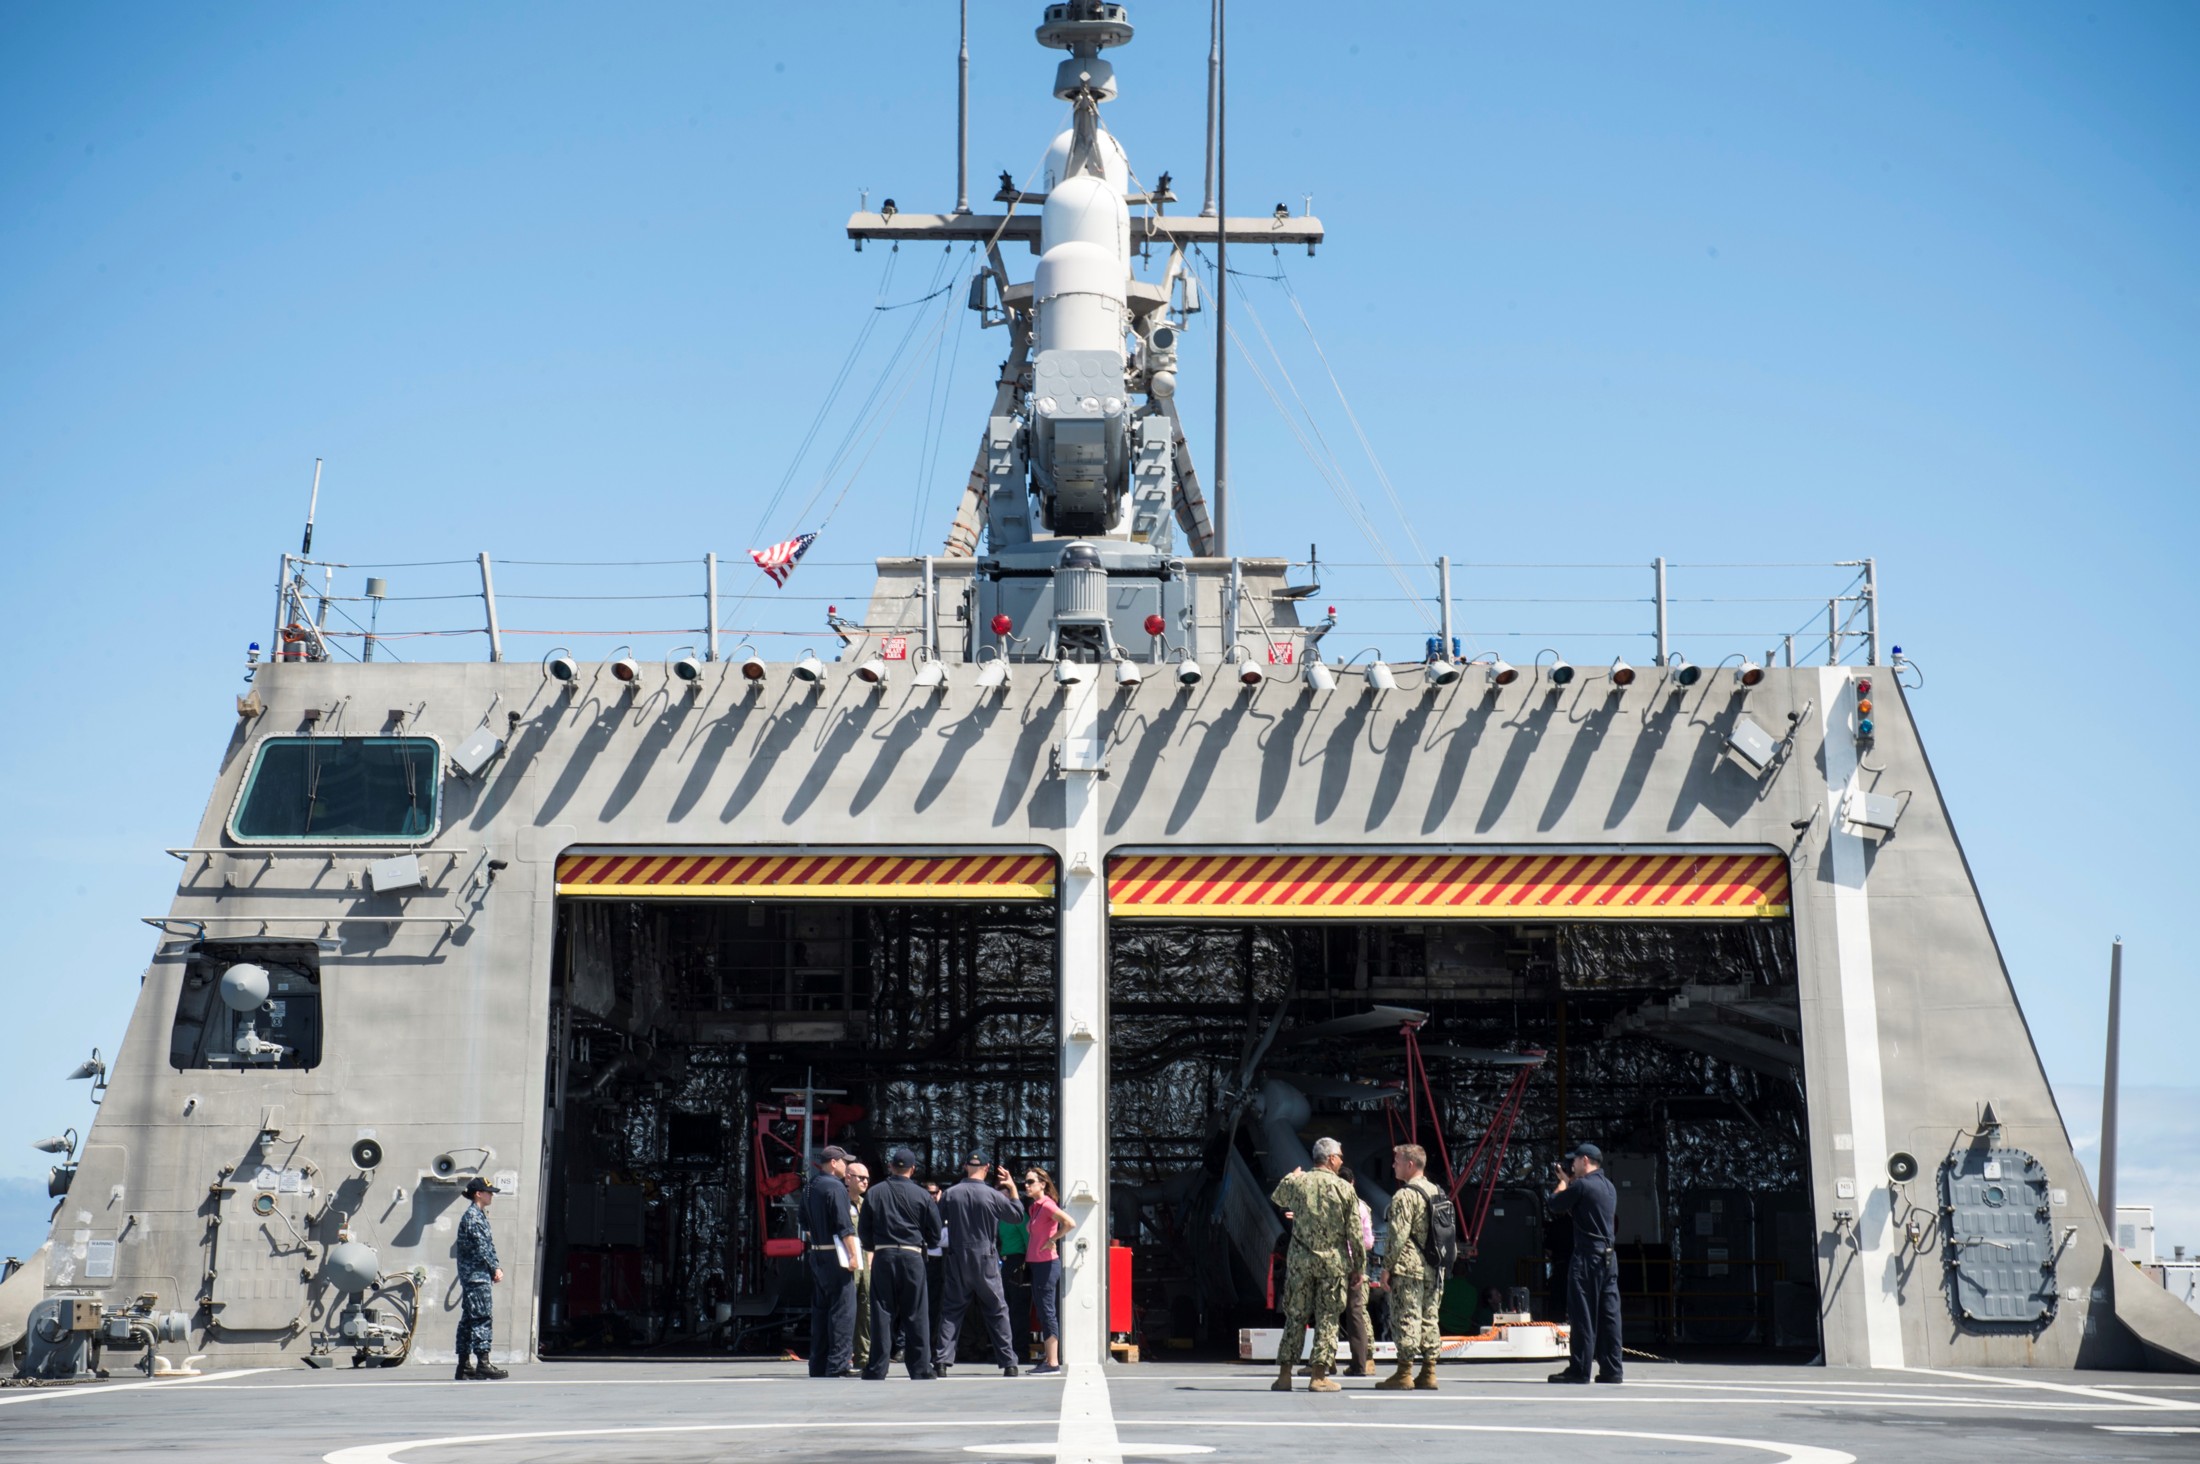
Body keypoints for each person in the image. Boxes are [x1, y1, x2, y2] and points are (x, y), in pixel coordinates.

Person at [1267, 1137, 1366, 1392]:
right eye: (1340, 1156)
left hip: (1301, 1263)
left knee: (1295, 1317)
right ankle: (1318, 1376)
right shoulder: (1345, 1189)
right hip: (1332, 1265)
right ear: (1331, 1159)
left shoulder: (1299, 1183)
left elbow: (1277, 1197)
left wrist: (1291, 1176)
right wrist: (1358, 1267)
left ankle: (1284, 1375)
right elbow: (1355, 1233)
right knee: (1328, 1319)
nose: (1342, 1160)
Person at [933, 1152, 1025, 1377]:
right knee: (997, 1309)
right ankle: (1009, 1362)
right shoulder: (993, 1195)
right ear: (986, 1168)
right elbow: (1017, 1217)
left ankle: (942, 1361)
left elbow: (934, 1224)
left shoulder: (951, 1194)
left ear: (965, 1166)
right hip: (986, 1257)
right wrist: (1012, 1188)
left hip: (957, 1256)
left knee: (952, 1310)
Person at [857, 1147, 941, 1380]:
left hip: (884, 1256)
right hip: (913, 1256)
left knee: (882, 1312)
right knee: (916, 1312)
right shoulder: (923, 1195)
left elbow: (864, 1231)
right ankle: (921, 1368)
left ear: (891, 1167)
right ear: (912, 1170)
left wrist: (874, 1247)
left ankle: (877, 1368)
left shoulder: (875, 1193)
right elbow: (935, 1233)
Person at [1548, 1142, 1623, 1385]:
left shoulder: (1580, 1185)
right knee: (1609, 1314)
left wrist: (1562, 1183)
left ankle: (1580, 1369)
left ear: (1586, 1161)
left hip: (1587, 1257)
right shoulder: (1608, 1186)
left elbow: (1555, 1204)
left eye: (1575, 1160)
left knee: (1582, 1313)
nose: (1572, 1165)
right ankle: (1612, 1368)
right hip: (1609, 1257)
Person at [1377, 1143, 1444, 1392]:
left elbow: (1397, 1236)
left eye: (1397, 1160)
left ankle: (1404, 1372)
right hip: (1434, 1267)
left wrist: (1387, 1267)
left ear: (1410, 1165)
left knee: (1406, 1316)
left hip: (1408, 1266)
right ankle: (1429, 1372)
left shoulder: (1405, 1195)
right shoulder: (1436, 1191)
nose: (1393, 1164)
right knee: (1429, 1317)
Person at [801, 1145, 861, 1378]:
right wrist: (853, 1255)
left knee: (821, 1310)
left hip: (817, 1253)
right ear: (834, 1163)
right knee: (843, 1310)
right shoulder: (835, 1187)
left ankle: (817, 1364)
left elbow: (804, 1224)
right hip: (836, 1255)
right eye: (844, 1162)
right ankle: (838, 1363)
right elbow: (843, 1225)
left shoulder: (809, 1187)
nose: (847, 1167)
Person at [1021, 1166, 1077, 1375]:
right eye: (1025, 1182)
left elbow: (1070, 1222)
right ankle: (1049, 1359)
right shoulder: (1034, 1207)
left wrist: (1053, 1239)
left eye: (1030, 1182)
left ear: (1042, 1184)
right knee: (1043, 1311)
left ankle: (1053, 1362)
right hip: (1037, 1264)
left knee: (1047, 1311)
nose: (1026, 1186)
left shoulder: (1046, 1205)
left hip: (1046, 1264)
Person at [453, 1177, 508, 1380]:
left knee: (468, 1320)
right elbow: (481, 1247)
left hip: (474, 1275)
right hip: (476, 1276)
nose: (491, 1195)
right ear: (478, 1193)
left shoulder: (477, 1215)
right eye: (488, 1191)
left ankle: (464, 1365)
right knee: (482, 1318)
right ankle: (483, 1364)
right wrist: (495, 1268)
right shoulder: (474, 1217)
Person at [1339, 1165, 1375, 1378]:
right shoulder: (1362, 1207)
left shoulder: (1334, 1205)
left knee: (1328, 1312)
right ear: (1353, 1183)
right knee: (1356, 1313)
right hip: (1357, 1266)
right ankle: (1360, 1363)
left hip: (1336, 1264)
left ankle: (1324, 1363)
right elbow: (1369, 1241)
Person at [847, 1160, 873, 1371]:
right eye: (860, 1177)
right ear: (848, 1178)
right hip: (846, 1264)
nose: (865, 1181)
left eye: (867, 1178)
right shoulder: (839, 1202)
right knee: (846, 1310)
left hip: (865, 1263)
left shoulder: (867, 1205)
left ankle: (863, 1356)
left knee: (866, 1310)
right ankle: (843, 1354)